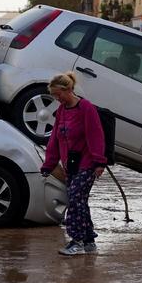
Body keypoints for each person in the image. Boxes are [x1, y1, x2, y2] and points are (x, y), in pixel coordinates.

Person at [40, 72, 107, 256]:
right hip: (70, 166)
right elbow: (55, 138)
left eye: (58, 94)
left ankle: (76, 240)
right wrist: (49, 164)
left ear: (68, 90)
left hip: (87, 164)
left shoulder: (86, 108)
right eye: (54, 95)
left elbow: (96, 136)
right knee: (80, 202)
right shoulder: (62, 111)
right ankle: (89, 242)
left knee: (75, 199)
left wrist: (99, 162)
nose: (56, 98)